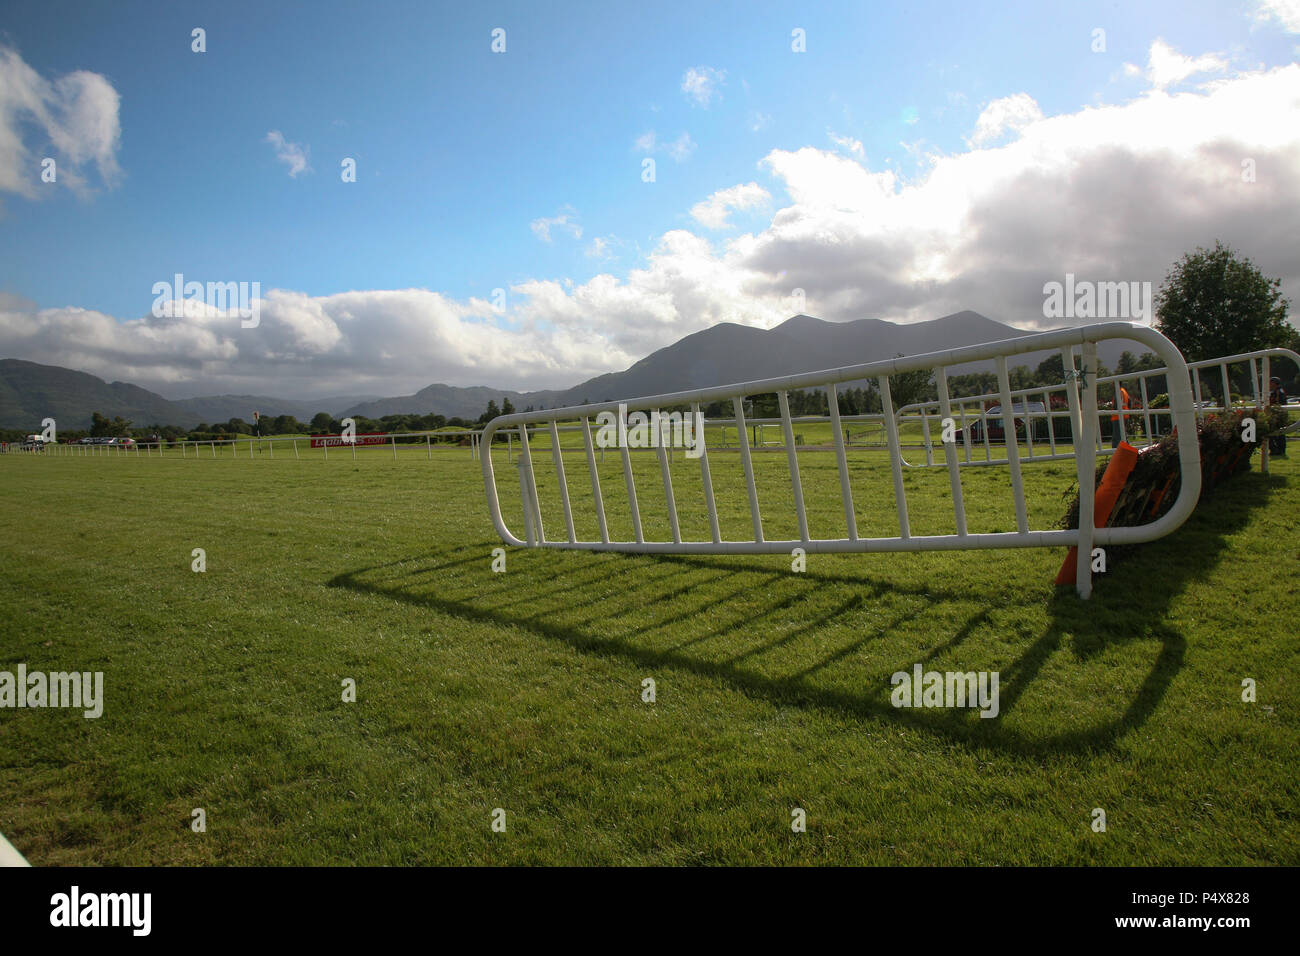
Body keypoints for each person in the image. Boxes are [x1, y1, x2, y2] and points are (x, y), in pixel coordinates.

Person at [1269, 376, 1288, 456]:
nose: (1269, 384)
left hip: (1278, 415)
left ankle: (1276, 450)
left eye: (1271, 382)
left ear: (1274, 383)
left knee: (1276, 433)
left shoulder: (1278, 392)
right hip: (1277, 414)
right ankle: (1278, 450)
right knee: (1279, 433)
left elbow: (1278, 403)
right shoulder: (1277, 391)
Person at [1111, 384, 1132, 448]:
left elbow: (1116, 405)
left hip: (1118, 417)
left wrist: (1114, 409)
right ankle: (1129, 452)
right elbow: (1130, 402)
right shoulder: (1124, 392)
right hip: (1125, 415)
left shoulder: (1119, 392)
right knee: (1123, 436)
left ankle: (1115, 453)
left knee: (1117, 437)